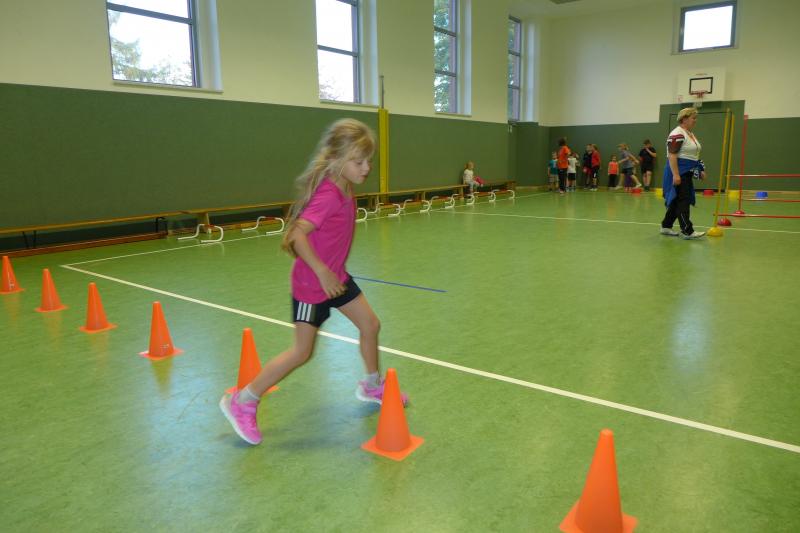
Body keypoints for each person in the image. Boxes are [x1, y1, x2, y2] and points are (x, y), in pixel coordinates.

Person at [219, 118, 408, 446]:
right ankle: (243, 400)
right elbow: (296, 235)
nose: (366, 168)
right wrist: (321, 271)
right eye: (359, 162)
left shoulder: (345, 185)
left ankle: (371, 385)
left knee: (371, 325)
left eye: (368, 161)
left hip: (337, 279)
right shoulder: (329, 194)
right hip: (313, 285)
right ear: (338, 159)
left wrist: (330, 273)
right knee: (301, 352)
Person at [661, 107, 706, 239]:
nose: (695, 120)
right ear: (684, 119)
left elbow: (692, 155)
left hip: (686, 172)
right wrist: (676, 175)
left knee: (677, 201)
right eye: (693, 118)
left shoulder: (689, 133)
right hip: (678, 172)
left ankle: (666, 226)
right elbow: (672, 155)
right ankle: (687, 231)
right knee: (683, 201)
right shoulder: (678, 133)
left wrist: (700, 170)